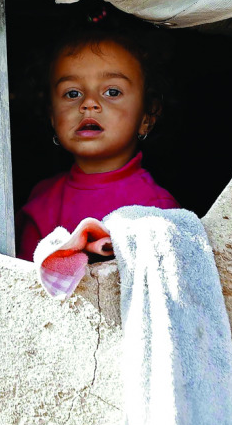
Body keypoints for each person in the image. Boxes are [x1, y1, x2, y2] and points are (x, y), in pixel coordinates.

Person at [17, 15, 180, 260]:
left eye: (112, 91)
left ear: (147, 116)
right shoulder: (41, 200)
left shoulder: (159, 210)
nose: (89, 103)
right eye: (72, 93)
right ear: (52, 116)